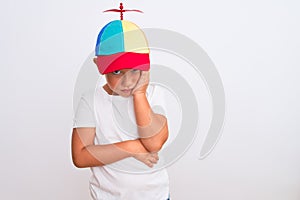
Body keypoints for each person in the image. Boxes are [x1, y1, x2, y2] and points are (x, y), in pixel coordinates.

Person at [71, 19, 171, 200]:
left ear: (145, 68)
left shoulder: (154, 94)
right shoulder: (91, 100)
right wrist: (132, 147)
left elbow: (154, 143)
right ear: (100, 67)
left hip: (155, 196)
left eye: (134, 70)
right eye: (117, 72)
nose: (128, 82)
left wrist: (139, 94)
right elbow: (80, 156)